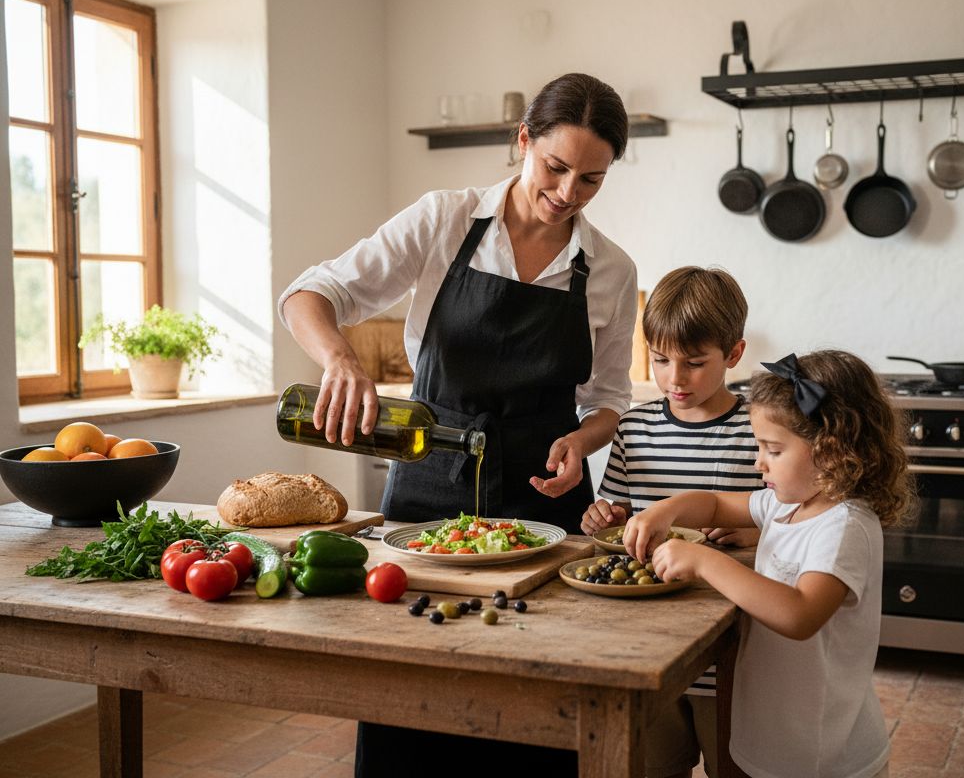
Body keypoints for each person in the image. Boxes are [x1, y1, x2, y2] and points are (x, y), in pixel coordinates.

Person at [278, 72, 637, 775]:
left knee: (540, 697)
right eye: (555, 167)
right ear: (523, 140)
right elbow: (310, 293)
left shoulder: (610, 270)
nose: (568, 192)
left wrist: (581, 439)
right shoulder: (443, 220)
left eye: (591, 180)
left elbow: (609, 400)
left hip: (543, 501)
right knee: (410, 687)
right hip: (430, 489)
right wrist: (341, 360)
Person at [623, 350, 914, 778]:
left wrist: (704, 561)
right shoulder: (788, 505)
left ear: (831, 450)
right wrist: (665, 510)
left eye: (773, 450)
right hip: (774, 736)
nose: (759, 461)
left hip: (825, 754)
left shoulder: (844, 527)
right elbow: (716, 503)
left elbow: (799, 614)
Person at [580, 265, 762, 778]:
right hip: (646, 641)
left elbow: (788, 519)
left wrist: (755, 530)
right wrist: (602, 516)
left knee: (734, 765)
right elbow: (616, 514)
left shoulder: (761, 429)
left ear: (734, 354)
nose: (675, 379)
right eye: (660, 360)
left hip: (730, 646)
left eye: (694, 363)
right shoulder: (634, 428)